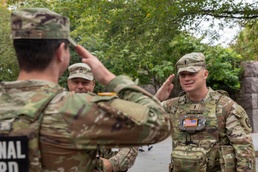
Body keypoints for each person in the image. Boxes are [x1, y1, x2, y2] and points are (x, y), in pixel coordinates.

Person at [0, 8, 172, 172]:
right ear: (61, 52)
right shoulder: (77, 109)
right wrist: (109, 78)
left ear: (18, 51)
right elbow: (160, 123)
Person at [155, 52, 255, 172]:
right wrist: (156, 99)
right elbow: (136, 121)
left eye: (192, 73)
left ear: (205, 74)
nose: (187, 78)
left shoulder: (226, 107)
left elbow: (244, 152)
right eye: (183, 74)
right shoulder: (172, 106)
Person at [67, 63, 138, 172]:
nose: (80, 86)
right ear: (68, 83)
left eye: (85, 82)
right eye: (75, 82)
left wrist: (112, 164)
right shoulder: (55, 109)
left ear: (93, 84)